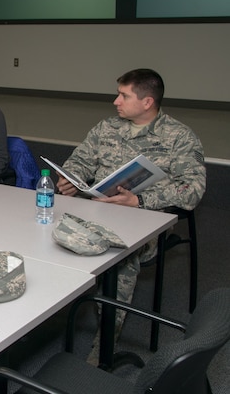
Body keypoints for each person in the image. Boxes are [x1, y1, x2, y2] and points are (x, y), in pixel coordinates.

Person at [56, 68, 206, 361]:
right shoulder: (107, 128)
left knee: (119, 258)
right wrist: (72, 178)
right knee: (47, 230)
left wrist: (140, 200)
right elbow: (81, 159)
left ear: (147, 102)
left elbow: (193, 190)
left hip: (144, 221)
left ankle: (104, 347)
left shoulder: (179, 136)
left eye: (124, 95)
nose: (116, 101)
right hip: (95, 209)